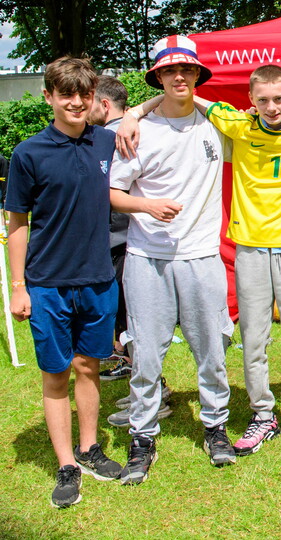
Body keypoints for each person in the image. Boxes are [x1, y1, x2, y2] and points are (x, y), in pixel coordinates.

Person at [110, 35, 236, 484]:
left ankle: (216, 427)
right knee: (145, 353)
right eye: (168, 71)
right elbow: (113, 192)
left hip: (201, 256)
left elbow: (268, 116)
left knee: (212, 347)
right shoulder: (138, 131)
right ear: (157, 76)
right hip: (148, 257)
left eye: (186, 70)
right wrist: (147, 206)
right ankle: (142, 437)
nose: (178, 77)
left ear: (198, 75)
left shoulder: (217, 123)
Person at [5, 56, 121, 507]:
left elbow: (163, 109)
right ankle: (66, 464)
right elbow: (17, 222)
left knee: (89, 366)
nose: (76, 102)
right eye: (66, 94)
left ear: (94, 98)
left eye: (84, 94)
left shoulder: (107, 143)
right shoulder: (27, 153)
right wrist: (19, 286)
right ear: (49, 96)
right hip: (48, 283)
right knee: (55, 374)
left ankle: (89, 448)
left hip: (98, 279)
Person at [203, 65, 281, 456]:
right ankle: (263, 413)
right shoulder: (239, 125)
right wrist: (136, 111)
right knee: (254, 338)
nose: (272, 107)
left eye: (279, 99)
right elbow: (190, 100)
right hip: (250, 247)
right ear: (251, 100)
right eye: (263, 100)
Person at [89, 76, 175, 427]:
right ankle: (150, 391)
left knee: (133, 325)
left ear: (105, 105)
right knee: (130, 325)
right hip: (124, 243)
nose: (82, 106)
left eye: (90, 100)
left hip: (124, 243)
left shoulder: (119, 137)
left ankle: (153, 396)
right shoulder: (128, 129)